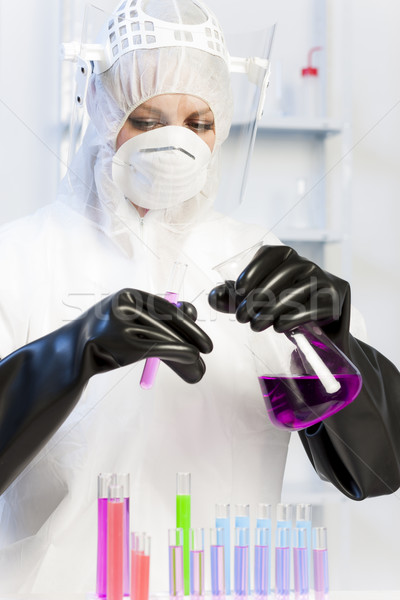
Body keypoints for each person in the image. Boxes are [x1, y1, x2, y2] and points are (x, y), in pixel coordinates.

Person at [0, 0, 398, 594]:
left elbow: (380, 470)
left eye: (198, 122)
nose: (174, 143)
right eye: (146, 116)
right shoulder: (21, 258)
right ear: (102, 112)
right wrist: (72, 353)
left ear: (223, 128)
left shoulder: (259, 264)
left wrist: (335, 345)